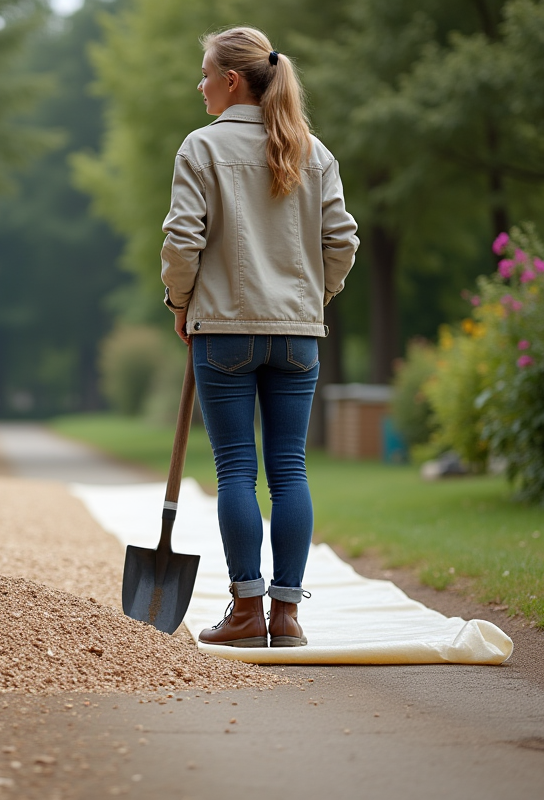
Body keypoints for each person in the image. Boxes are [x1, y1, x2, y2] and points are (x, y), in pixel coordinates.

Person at [161, 26, 358, 647]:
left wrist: (179, 302)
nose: (199, 85)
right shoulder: (312, 151)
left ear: (231, 80)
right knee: (290, 471)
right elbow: (342, 241)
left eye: (204, 73)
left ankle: (246, 614)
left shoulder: (200, 148)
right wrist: (312, 300)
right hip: (298, 336)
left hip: (224, 331)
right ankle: (288, 616)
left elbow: (181, 242)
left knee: (237, 471)